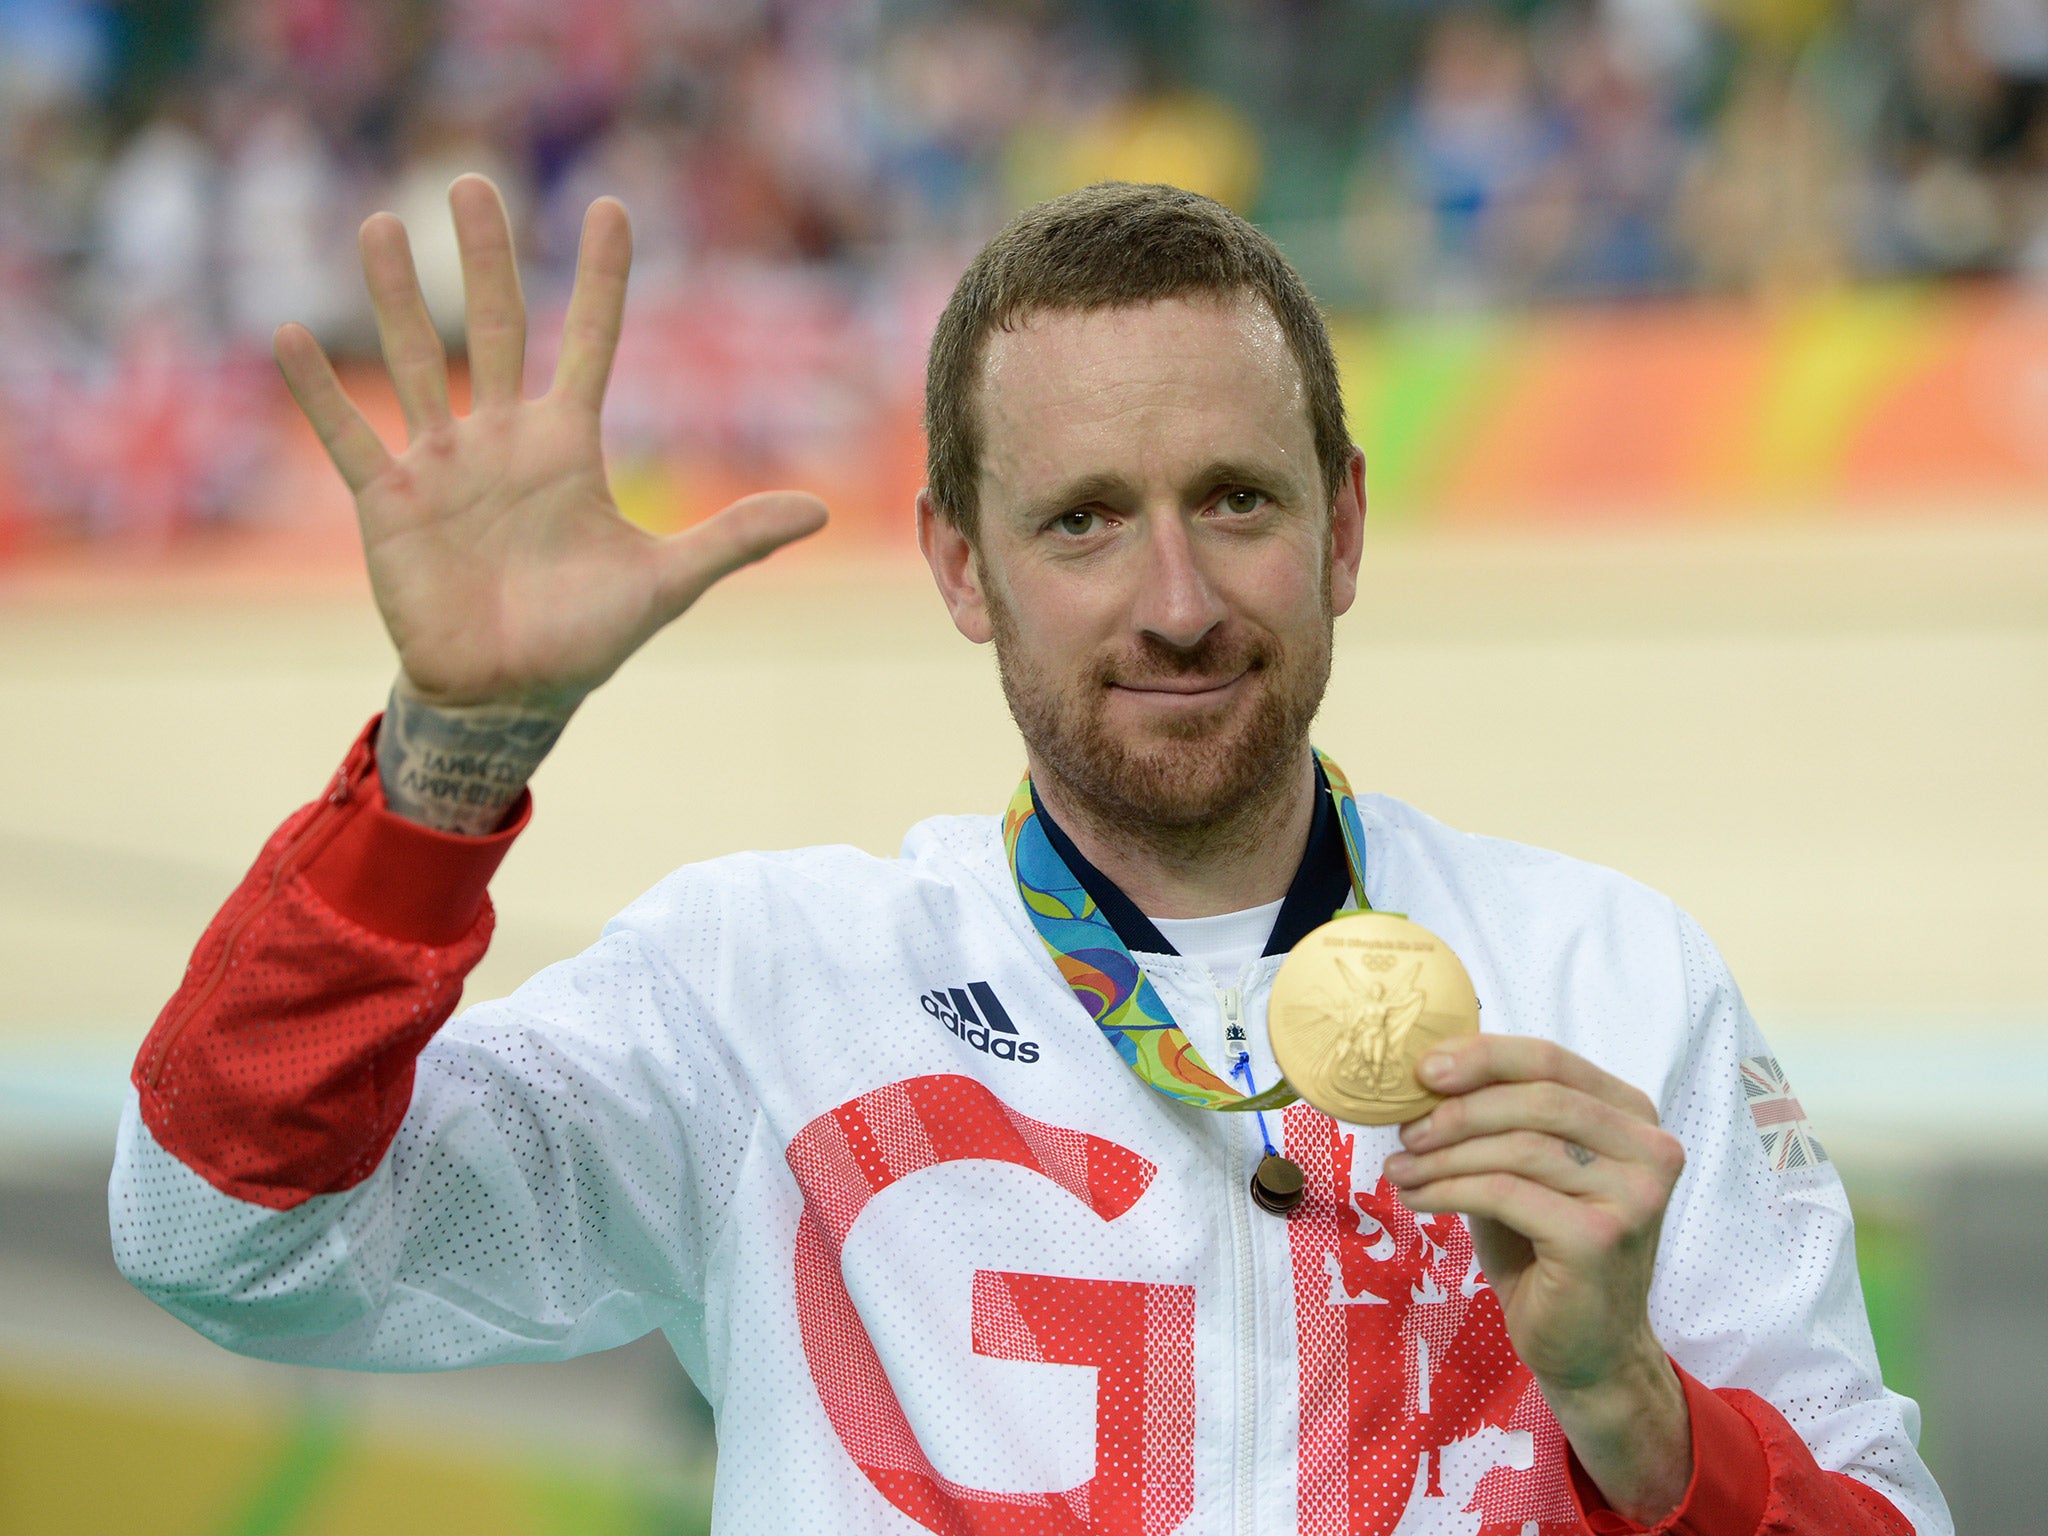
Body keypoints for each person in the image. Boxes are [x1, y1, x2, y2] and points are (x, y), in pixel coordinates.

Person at [111, 176, 1948, 1536]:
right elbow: (223, 1235)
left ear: (1346, 525)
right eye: (1082, 521)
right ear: (959, 567)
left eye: (1236, 498)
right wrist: (451, 763)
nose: (1175, 600)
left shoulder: (1612, 983)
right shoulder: (766, 989)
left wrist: (1635, 1408)